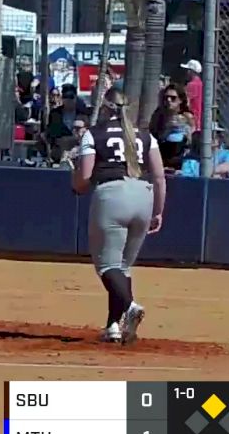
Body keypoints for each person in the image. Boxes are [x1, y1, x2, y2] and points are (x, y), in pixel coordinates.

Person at [70, 87, 166, 345]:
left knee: (106, 265)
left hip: (112, 195)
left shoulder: (94, 134)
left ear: (105, 107)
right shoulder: (145, 135)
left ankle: (130, 306)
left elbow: (85, 178)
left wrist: (75, 180)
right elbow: (158, 176)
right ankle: (114, 326)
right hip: (142, 194)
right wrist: (158, 210)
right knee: (122, 267)